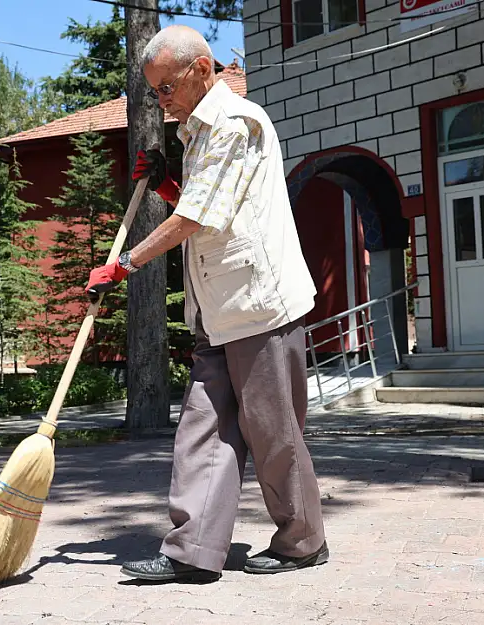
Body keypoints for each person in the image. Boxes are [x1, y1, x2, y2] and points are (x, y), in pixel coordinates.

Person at [85, 24, 327, 582]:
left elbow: (199, 218)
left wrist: (123, 264)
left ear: (201, 70)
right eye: (154, 92)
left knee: (272, 432)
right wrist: (169, 184)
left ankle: (302, 540)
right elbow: (208, 207)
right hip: (215, 310)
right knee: (203, 428)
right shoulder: (196, 132)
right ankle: (192, 550)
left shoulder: (233, 123)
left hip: (259, 307)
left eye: (166, 87)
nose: (161, 101)